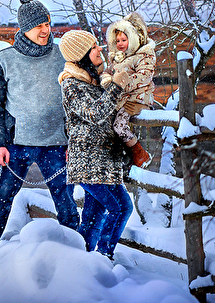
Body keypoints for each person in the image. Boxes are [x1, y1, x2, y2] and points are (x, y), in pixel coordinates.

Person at [0, 0, 79, 251]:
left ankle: (77, 258)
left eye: (47, 23)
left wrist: (74, 141)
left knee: (67, 205)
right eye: (38, 26)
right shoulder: (5, 59)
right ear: (24, 28)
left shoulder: (63, 56)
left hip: (57, 144)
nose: (45, 30)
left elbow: (78, 99)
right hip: (15, 145)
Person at [58, 29, 133, 261]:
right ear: (81, 54)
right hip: (89, 163)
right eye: (93, 47)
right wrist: (116, 87)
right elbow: (95, 113)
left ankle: (81, 261)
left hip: (104, 161)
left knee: (94, 215)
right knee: (121, 207)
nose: (100, 48)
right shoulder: (71, 85)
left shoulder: (95, 80)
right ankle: (103, 257)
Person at [99, 12, 155, 169]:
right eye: (117, 41)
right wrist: (106, 79)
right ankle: (119, 156)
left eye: (124, 40)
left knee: (119, 126)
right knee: (105, 121)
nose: (120, 44)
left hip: (137, 99)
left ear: (134, 38)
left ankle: (140, 153)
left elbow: (143, 76)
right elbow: (108, 72)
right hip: (121, 99)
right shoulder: (118, 57)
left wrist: (120, 84)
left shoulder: (144, 54)